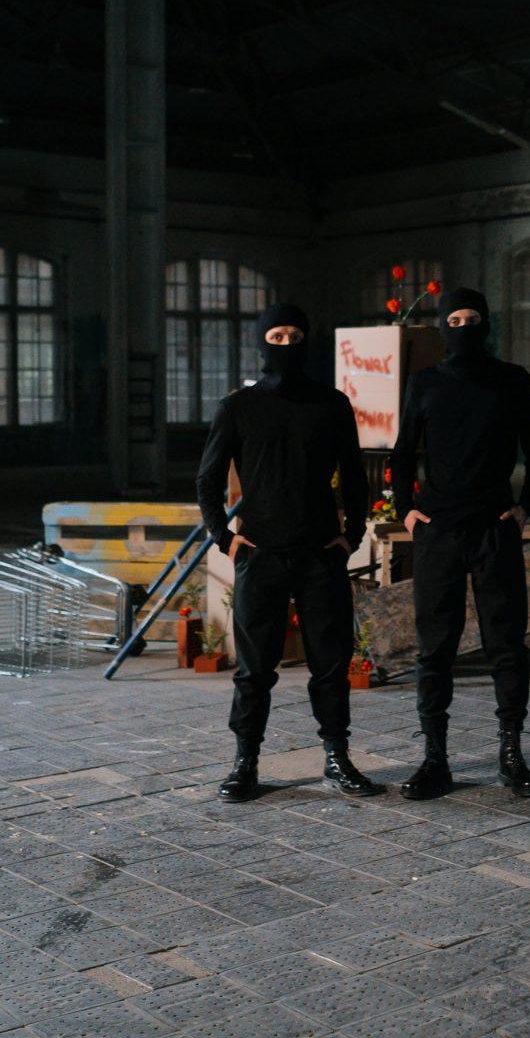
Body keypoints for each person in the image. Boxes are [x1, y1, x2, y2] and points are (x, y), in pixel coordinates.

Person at [195, 302, 380, 802]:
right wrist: (224, 538)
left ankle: (338, 757)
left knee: (331, 664)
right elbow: (208, 479)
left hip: (321, 554)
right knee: (255, 670)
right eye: (276, 336)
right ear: (261, 342)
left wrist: (353, 534)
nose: (286, 345)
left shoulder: (332, 404)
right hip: (261, 555)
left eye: (295, 336)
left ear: (307, 341)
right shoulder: (238, 407)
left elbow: (355, 476)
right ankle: (245, 763)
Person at [387, 287, 530, 800]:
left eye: (472, 319)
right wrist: (405, 511)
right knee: (435, 648)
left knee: (507, 643)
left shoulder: (512, 379)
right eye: (454, 320)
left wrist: (526, 505)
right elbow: (402, 452)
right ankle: (434, 759)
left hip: (493, 528)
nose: (463, 328)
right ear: (443, 326)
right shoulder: (425, 383)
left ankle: (512, 755)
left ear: (486, 324)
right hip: (437, 530)